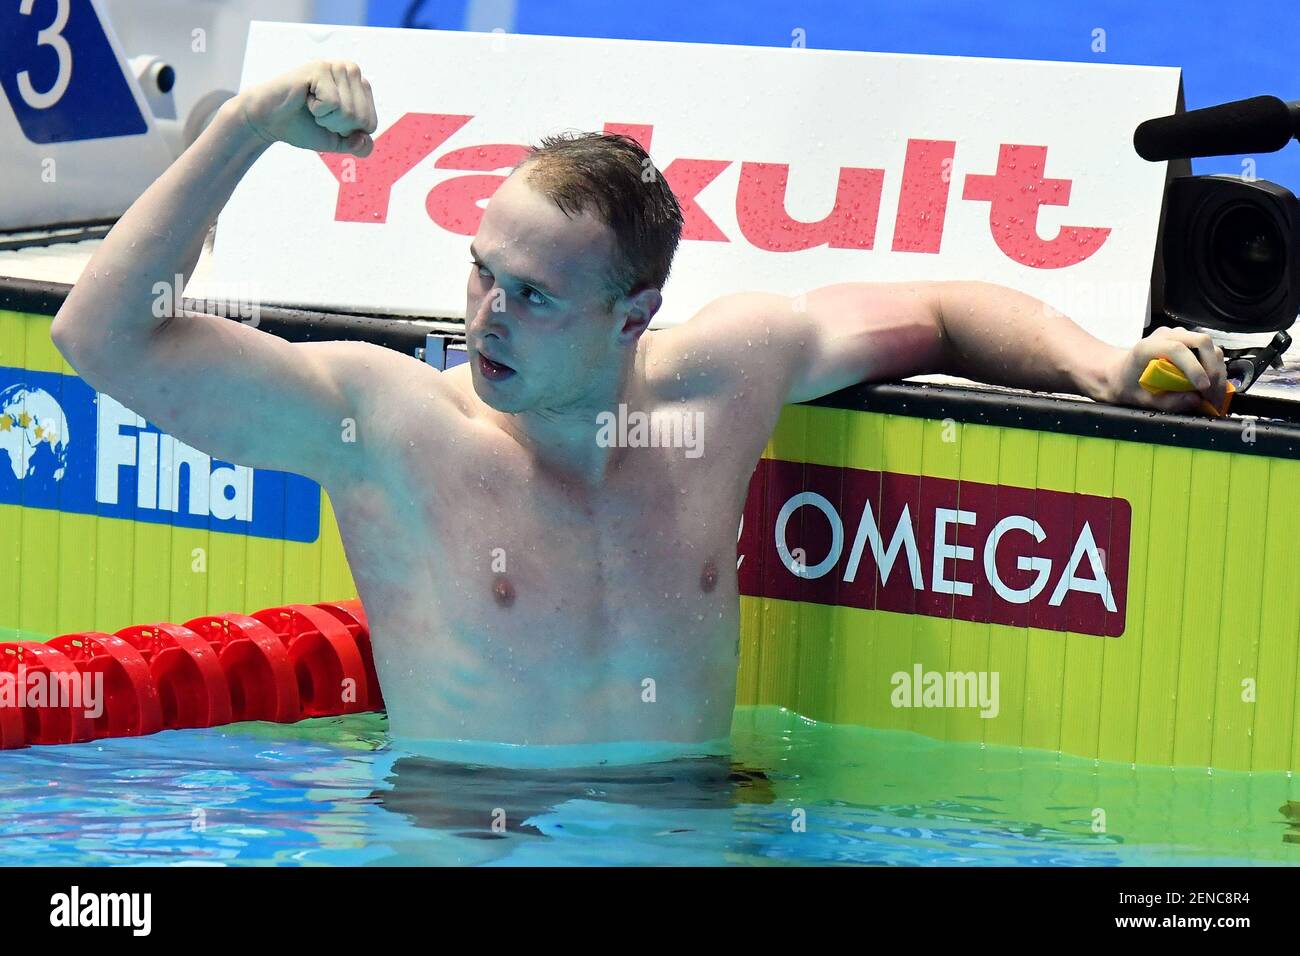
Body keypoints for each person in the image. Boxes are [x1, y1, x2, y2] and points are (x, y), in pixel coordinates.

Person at [50, 61, 1230, 766]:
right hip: (472, 836)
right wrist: (247, 125)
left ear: (634, 314)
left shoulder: (721, 381)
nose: (485, 319)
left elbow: (936, 303)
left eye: (532, 296)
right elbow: (99, 334)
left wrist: (1097, 367)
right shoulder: (394, 431)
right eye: (480, 274)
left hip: (689, 827)